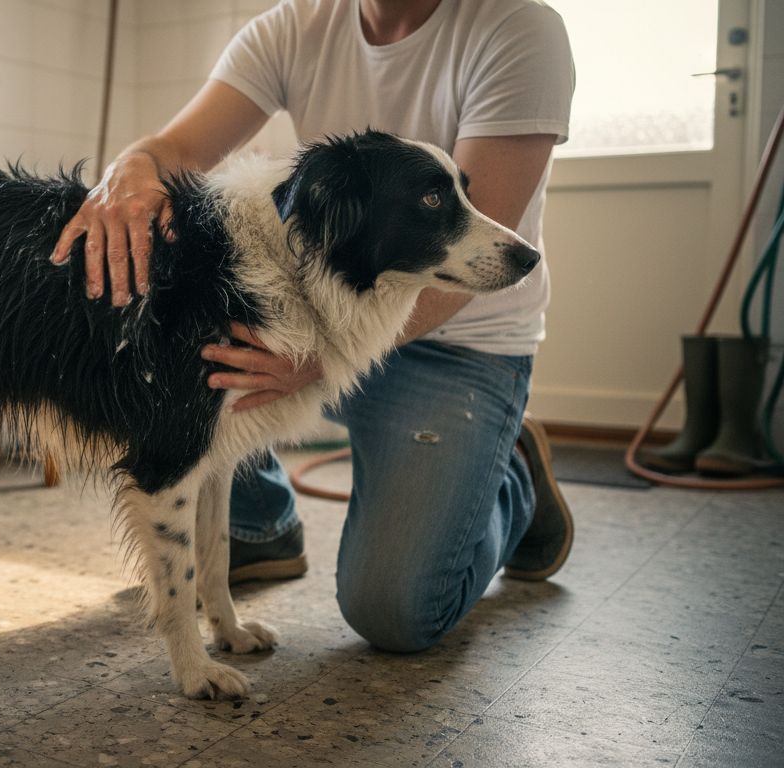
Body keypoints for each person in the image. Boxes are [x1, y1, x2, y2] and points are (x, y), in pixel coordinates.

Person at [51, 0, 577, 653]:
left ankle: (512, 476)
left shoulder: (517, 28)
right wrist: (131, 167)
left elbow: (479, 254)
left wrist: (319, 359)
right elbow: (177, 151)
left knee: (396, 610)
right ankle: (262, 520)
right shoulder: (293, 26)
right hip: (328, 318)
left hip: (458, 344)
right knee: (209, 353)